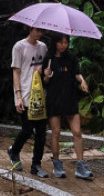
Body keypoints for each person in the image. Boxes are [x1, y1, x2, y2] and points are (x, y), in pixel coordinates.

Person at [43, 33, 92, 179]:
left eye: (66, 42)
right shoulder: (49, 58)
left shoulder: (71, 58)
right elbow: (44, 82)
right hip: (54, 99)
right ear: (55, 43)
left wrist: (82, 80)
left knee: (77, 132)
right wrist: (46, 75)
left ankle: (80, 166)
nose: (63, 45)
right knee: (56, 133)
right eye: (61, 42)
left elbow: (76, 73)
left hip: (70, 98)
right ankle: (57, 164)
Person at [7, 26, 50, 178]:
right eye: (37, 30)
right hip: (25, 94)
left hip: (39, 95)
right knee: (27, 130)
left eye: (42, 31)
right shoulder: (19, 47)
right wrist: (18, 96)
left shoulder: (43, 47)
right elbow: (16, 72)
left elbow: (45, 71)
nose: (40, 34)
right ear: (30, 29)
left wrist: (46, 74)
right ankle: (14, 150)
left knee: (41, 133)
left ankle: (36, 165)